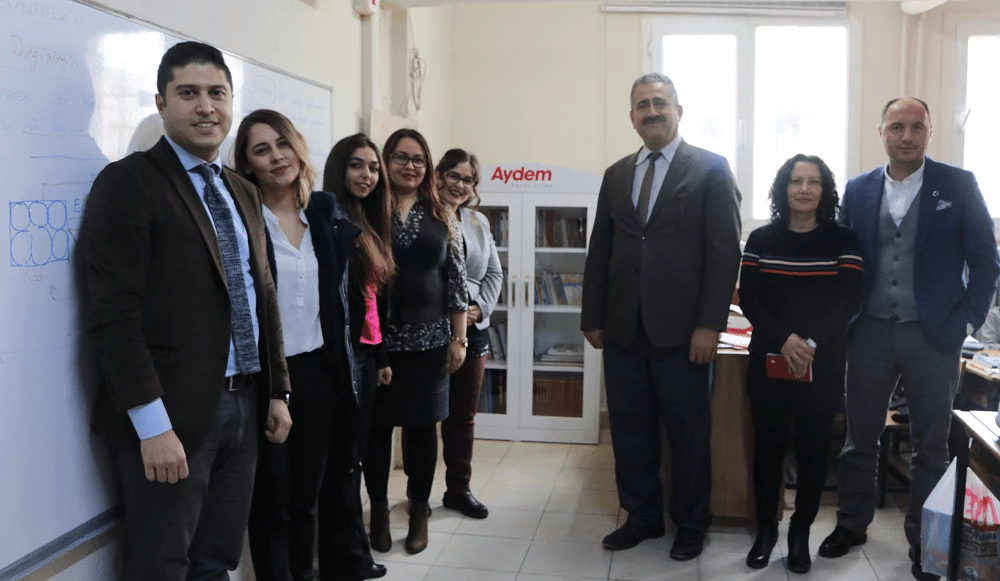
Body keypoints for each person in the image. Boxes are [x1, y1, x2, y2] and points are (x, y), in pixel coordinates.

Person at [75, 41, 292, 579]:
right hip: (172, 418)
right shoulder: (128, 184)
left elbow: (261, 294)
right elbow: (114, 316)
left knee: (216, 561)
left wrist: (278, 390)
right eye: (187, 93)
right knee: (161, 566)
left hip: (244, 407)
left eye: (217, 93)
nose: (205, 107)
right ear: (160, 102)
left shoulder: (242, 190)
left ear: (231, 102)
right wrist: (152, 426)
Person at [818, 97, 1000, 581]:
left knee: (932, 448)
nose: (907, 135)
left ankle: (925, 538)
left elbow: (986, 260)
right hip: (870, 333)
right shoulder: (857, 191)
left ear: (929, 132)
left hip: (934, 338)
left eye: (916, 126)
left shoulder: (957, 186)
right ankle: (852, 523)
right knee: (859, 438)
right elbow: (840, 259)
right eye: (897, 126)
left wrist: (967, 321)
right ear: (881, 132)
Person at [581, 72, 742, 560]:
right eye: (642, 104)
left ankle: (692, 523)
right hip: (624, 329)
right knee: (630, 430)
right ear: (632, 116)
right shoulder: (615, 174)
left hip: (684, 333)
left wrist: (711, 324)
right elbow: (600, 251)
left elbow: (724, 254)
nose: (652, 111)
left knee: (689, 433)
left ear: (678, 110)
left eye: (660, 103)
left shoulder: (711, 169)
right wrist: (592, 316)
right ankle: (643, 516)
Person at [236, 112, 386, 581]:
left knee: (307, 498)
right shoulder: (243, 220)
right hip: (269, 378)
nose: (277, 156)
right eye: (262, 150)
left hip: (321, 373)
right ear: (247, 163)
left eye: (283, 144)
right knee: (272, 500)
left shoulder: (322, 214)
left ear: (298, 148)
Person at [738, 155, 864, 574]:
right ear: (783, 188)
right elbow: (750, 298)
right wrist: (785, 340)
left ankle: (800, 533)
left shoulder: (844, 240)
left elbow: (848, 300)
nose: (805, 189)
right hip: (768, 358)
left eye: (814, 182)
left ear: (825, 191)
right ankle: (766, 532)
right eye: (796, 181)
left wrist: (808, 343)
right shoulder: (760, 239)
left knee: (812, 450)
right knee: (769, 448)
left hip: (822, 363)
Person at [363, 129, 469, 555]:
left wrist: (459, 339)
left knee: (424, 431)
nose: (410, 166)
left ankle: (420, 510)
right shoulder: (369, 211)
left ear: (429, 168)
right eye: (401, 157)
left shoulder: (442, 214)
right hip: (377, 345)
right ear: (386, 162)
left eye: (419, 159)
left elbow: (456, 281)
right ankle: (379, 511)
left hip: (431, 345)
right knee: (377, 430)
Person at [322, 131, 396, 567]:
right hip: (339, 361)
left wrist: (381, 357)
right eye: (356, 165)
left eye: (372, 167)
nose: (366, 174)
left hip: (366, 357)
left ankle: (352, 552)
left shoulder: (367, 220)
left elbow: (372, 299)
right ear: (339, 168)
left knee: (357, 452)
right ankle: (349, 555)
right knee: (345, 457)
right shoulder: (327, 218)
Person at [432, 148, 503, 519]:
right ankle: (416, 494)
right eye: (455, 176)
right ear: (440, 175)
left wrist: (478, 311)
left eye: (469, 179)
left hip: (474, 330)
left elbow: (494, 274)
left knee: (464, 416)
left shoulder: (478, 222)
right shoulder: (423, 215)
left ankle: (458, 489)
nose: (461, 185)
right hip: (431, 329)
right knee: (426, 415)